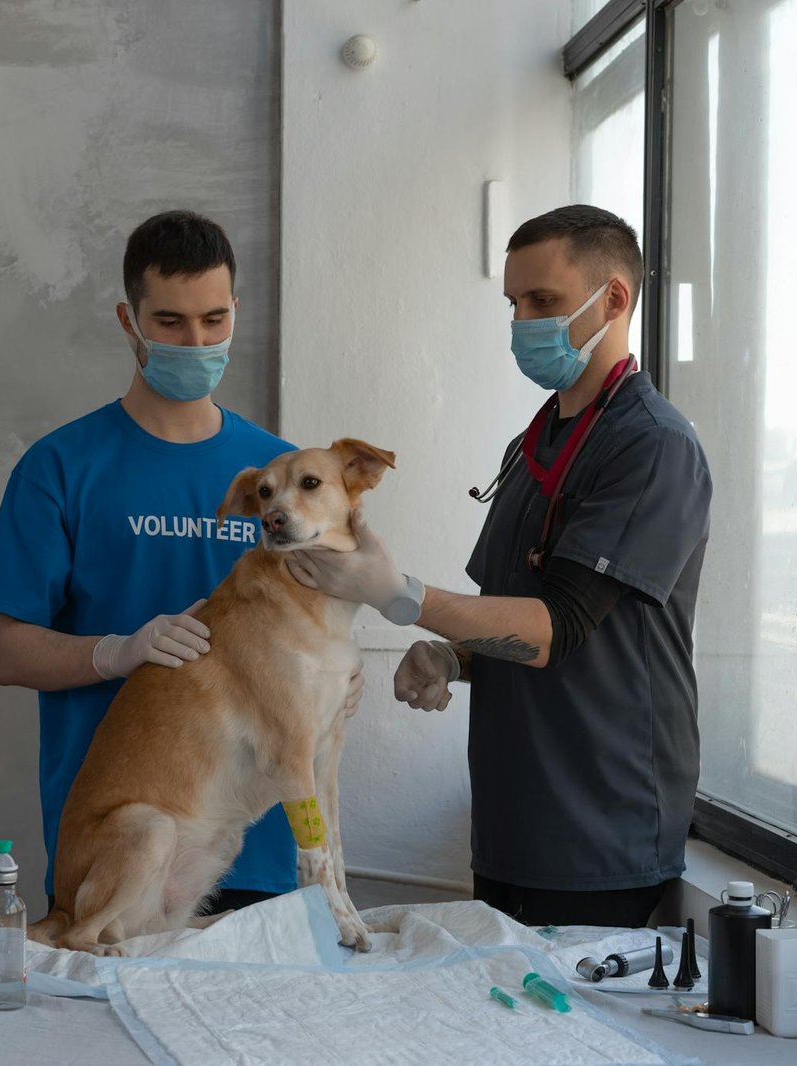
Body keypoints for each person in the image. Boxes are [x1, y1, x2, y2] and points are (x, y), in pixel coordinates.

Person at [289, 205, 712, 928]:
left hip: (600, 834)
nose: (522, 322)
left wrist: (397, 595)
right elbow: (510, 613)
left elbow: (559, 626)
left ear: (613, 299)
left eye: (542, 301)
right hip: (512, 828)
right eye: (514, 304)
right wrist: (451, 658)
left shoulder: (653, 447)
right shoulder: (535, 444)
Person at [0, 209, 362, 913]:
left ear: (236, 312)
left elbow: (328, 612)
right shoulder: (60, 468)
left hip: (269, 855)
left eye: (214, 320)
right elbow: (5, 654)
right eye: (171, 322)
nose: (196, 341)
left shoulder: (283, 478)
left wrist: (331, 680)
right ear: (129, 319)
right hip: (131, 855)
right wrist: (116, 653)